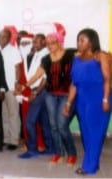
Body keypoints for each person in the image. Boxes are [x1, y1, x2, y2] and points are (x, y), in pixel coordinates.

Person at [19, 32, 77, 166]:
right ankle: (58, 153)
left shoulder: (70, 55)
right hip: (50, 95)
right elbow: (37, 75)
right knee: (53, 125)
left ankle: (72, 154)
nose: (49, 45)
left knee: (62, 125)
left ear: (60, 42)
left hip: (65, 95)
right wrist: (24, 86)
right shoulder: (45, 59)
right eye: (48, 43)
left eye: (53, 43)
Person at [63, 28, 112, 175]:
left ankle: (89, 167)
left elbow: (107, 80)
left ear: (91, 42)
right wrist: (68, 103)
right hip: (82, 101)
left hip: (98, 99)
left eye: (82, 40)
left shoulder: (100, 56)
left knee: (95, 133)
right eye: (78, 40)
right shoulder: (76, 59)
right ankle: (93, 163)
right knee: (86, 133)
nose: (79, 43)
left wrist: (105, 99)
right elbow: (74, 84)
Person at [18, 34, 53, 158]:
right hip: (38, 90)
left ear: (44, 41)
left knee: (29, 121)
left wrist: (35, 92)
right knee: (44, 121)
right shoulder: (38, 53)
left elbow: (44, 78)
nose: (34, 44)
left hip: (41, 91)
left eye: (37, 42)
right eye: (33, 42)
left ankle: (32, 150)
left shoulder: (46, 54)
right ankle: (50, 148)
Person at [0, 28, 22, 150]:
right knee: (5, 114)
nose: (1, 39)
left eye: (4, 37)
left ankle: (14, 140)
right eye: (0, 36)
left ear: (9, 38)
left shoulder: (14, 50)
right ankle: (6, 138)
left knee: (13, 114)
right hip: (2, 88)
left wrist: (17, 83)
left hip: (11, 87)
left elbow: (18, 68)